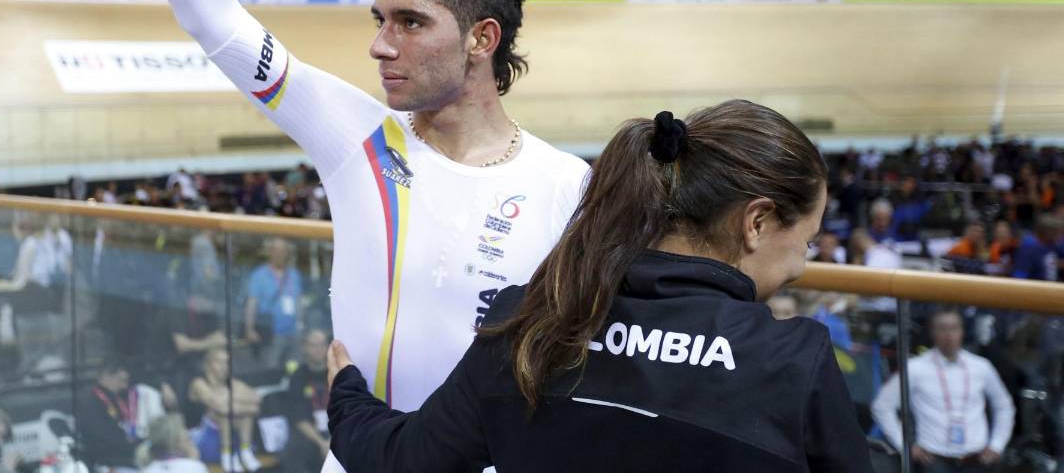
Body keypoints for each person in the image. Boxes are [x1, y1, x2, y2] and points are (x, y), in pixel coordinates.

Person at [122, 0, 589, 473]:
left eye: (410, 23)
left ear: (482, 39)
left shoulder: (570, 187)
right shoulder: (358, 137)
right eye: (380, 19)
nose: (379, 44)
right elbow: (215, 20)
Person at [325, 101, 871, 472]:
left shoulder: (528, 323)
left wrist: (347, 397)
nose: (800, 267)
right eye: (805, 242)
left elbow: (403, 459)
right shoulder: (792, 362)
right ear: (756, 222)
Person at [872, 307, 1014, 471]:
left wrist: (997, 444)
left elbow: (1004, 405)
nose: (949, 335)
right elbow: (882, 406)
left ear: (962, 331)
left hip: (976, 460)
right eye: (942, 329)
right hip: (934, 460)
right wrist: (904, 445)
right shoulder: (915, 368)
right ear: (933, 332)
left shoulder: (981, 366)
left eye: (954, 328)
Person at [188, 347, 262, 473]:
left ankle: (245, 452)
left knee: (245, 415)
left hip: (235, 440)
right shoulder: (199, 383)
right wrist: (240, 404)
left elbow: (256, 402)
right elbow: (219, 407)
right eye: (219, 362)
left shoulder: (233, 383)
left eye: (227, 362)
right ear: (208, 365)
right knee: (224, 415)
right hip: (204, 440)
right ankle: (227, 456)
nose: (224, 366)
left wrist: (231, 404)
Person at [244, 238, 303, 369]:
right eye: (276, 250)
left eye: (283, 251)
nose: (279, 254)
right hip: (271, 332)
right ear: (270, 252)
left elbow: (299, 302)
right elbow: (252, 303)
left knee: (295, 366)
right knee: (271, 367)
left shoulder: (294, 275)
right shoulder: (259, 275)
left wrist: (301, 325)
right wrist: (249, 329)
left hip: (293, 331)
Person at [281, 329, 333, 472]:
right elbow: (299, 417)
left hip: (337, 431)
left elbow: (348, 411)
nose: (318, 349)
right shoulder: (297, 377)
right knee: (292, 454)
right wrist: (322, 443)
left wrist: (332, 440)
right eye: (313, 345)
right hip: (310, 433)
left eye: (322, 344)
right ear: (304, 348)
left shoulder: (338, 373)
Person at [139, 415, 207, 473]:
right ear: (177, 443)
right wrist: (194, 461)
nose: (188, 433)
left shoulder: (147, 470)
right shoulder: (194, 468)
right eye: (188, 438)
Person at [1011, 214, 1061, 280]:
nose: (1059, 234)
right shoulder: (1028, 246)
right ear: (1046, 231)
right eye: (1056, 231)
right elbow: (1020, 274)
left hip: (1053, 284)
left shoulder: (1052, 244)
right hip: (1035, 284)